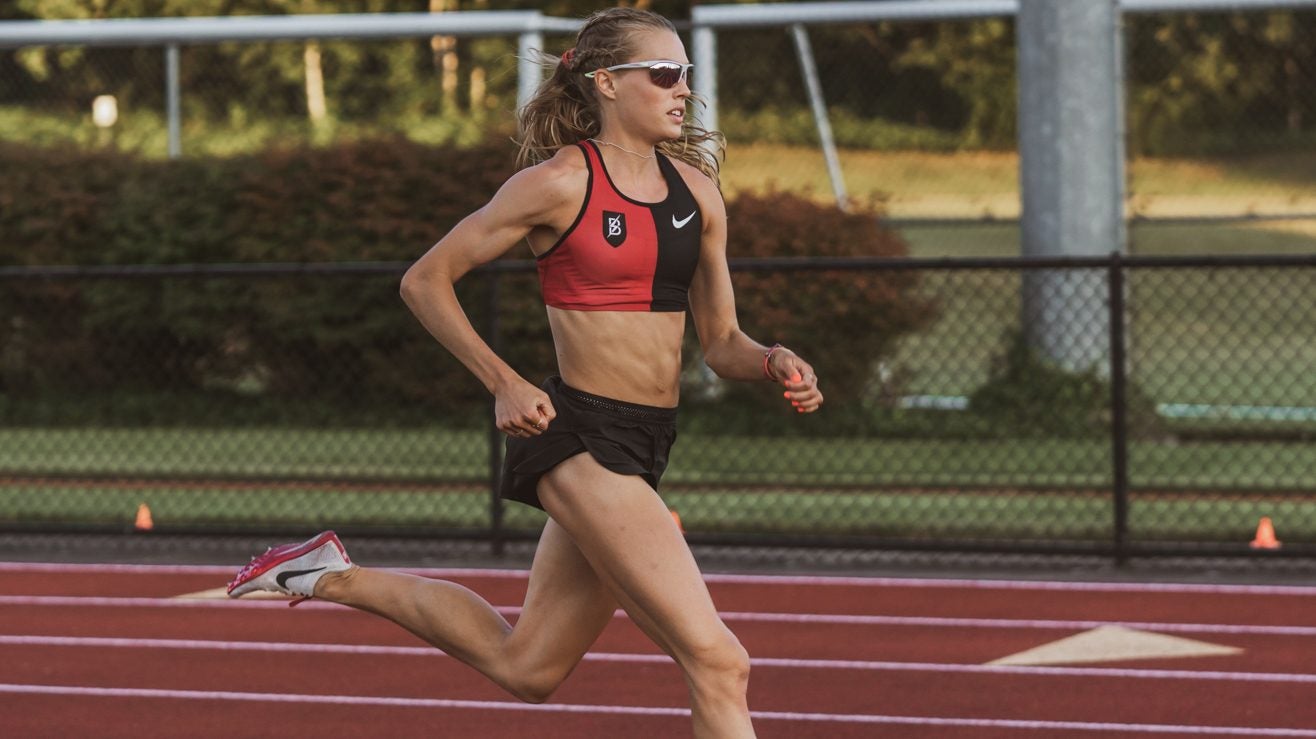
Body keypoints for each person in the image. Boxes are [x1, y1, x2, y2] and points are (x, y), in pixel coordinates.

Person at [226, 8, 822, 737]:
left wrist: (771, 359)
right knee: (719, 661)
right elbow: (424, 280)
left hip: (644, 445)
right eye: (665, 74)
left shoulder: (697, 195)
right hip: (579, 438)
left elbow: (721, 341)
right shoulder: (560, 182)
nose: (684, 90)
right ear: (606, 82)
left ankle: (324, 573)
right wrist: (502, 378)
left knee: (528, 666)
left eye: (686, 75)